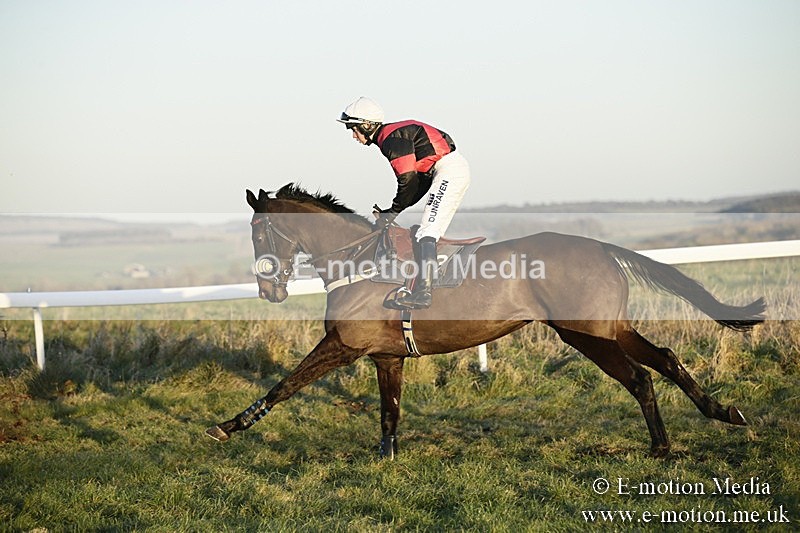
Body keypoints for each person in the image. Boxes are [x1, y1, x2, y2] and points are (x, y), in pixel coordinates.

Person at [337, 96, 471, 310]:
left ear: (366, 125)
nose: (353, 136)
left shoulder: (391, 140)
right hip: (446, 170)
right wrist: (393, 211)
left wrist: (392, 212)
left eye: (354, 129)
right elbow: (416, 187)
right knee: (425, 230)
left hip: (449, 171)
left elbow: (407, 182)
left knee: (427, 232)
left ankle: (424, 293)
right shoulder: (391, 135)